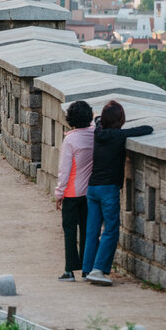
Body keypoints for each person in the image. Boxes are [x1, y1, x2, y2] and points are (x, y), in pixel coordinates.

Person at [83, 101, 153, 286]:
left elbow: (98, 120)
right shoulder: (118, 136)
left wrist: (101, 118)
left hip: (92, 188)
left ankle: (87, 269)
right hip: (108, 190)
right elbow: (146, 128)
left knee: (92, 230)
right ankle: (98, 270)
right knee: (111, 230)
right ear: (120, 120)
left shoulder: (98, 132)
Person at [54, 101, 94, 282]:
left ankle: (70, 270)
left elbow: (65, 170)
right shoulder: (94, 135)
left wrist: (58, 194)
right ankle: (87, 269)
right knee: (87, 230)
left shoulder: (70, 140)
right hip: (89, 193)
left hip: (71, 193)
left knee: (70, 231)